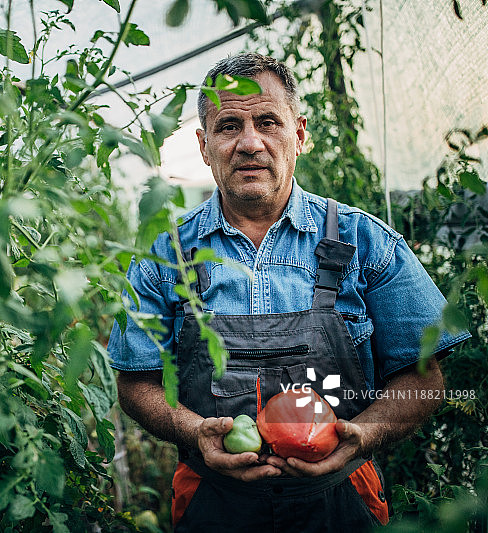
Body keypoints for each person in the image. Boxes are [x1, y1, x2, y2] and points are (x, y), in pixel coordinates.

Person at [107, 53, 470, 532]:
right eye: (229, 126)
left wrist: (362, 436)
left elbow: (424, 379)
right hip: (214, 505)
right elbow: (136, 382)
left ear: (299, 135)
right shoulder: (164, 254)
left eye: (268, 122)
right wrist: (196, 432)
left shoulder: (366, 243)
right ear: (204, 145)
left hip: (341, 501)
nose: (249, 142)